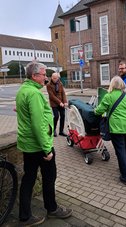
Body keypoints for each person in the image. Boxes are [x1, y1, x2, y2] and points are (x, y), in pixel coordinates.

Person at [16, 61, 72, 226]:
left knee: (29, 178)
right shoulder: (34, 94)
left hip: (28, 144)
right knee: (49, 176)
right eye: (43, 74)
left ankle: (24, 216)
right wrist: (47, 149)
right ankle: (52, 209)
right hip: (38, 145)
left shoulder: (23, 90)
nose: (45, 78)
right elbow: (38, 124)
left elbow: (26, 113)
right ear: (34, 76)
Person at [94, 76, 126, 186]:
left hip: (117, 127)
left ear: (112, 85)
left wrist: (95, 111)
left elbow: (100, 110)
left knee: (120, 150)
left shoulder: (109, 96)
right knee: (125, 148)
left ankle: (125, 176)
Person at [46, 72, 68, 137]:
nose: (54, 79)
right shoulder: (48, 85)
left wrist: (65, 102)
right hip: (54, 103)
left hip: (61, 103)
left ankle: (61, 131)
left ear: (58, 78)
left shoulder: (60, 83)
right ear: (51, 77)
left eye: (56, 78)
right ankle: (53, 130)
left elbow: (63, 93)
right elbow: (52, 96)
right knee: (56, 116)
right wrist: (59, 102)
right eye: (53, 78)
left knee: (63, 116)